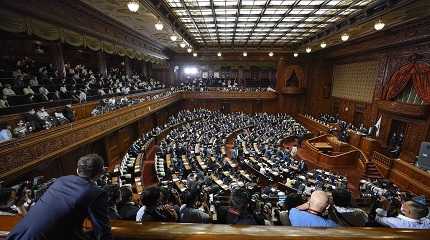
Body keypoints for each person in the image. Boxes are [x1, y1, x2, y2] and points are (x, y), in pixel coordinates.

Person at [7, 154, 112, 240]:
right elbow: (102, 230)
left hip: (17, 234)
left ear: (77, 170)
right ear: (99, 173)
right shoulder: (96, 193)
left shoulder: (62, 180)